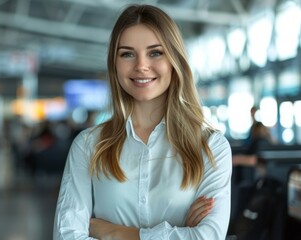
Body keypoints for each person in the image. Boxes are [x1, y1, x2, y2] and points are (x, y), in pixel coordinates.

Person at [53, 4, 232, 240]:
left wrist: (115, 233)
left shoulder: (210, 147)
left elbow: (208, 237)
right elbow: (67, 235)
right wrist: (182, 232)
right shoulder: (88, 146)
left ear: (174, 60)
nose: (141, 66)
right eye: (127, 54)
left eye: (155, 52)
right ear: (114, 64)